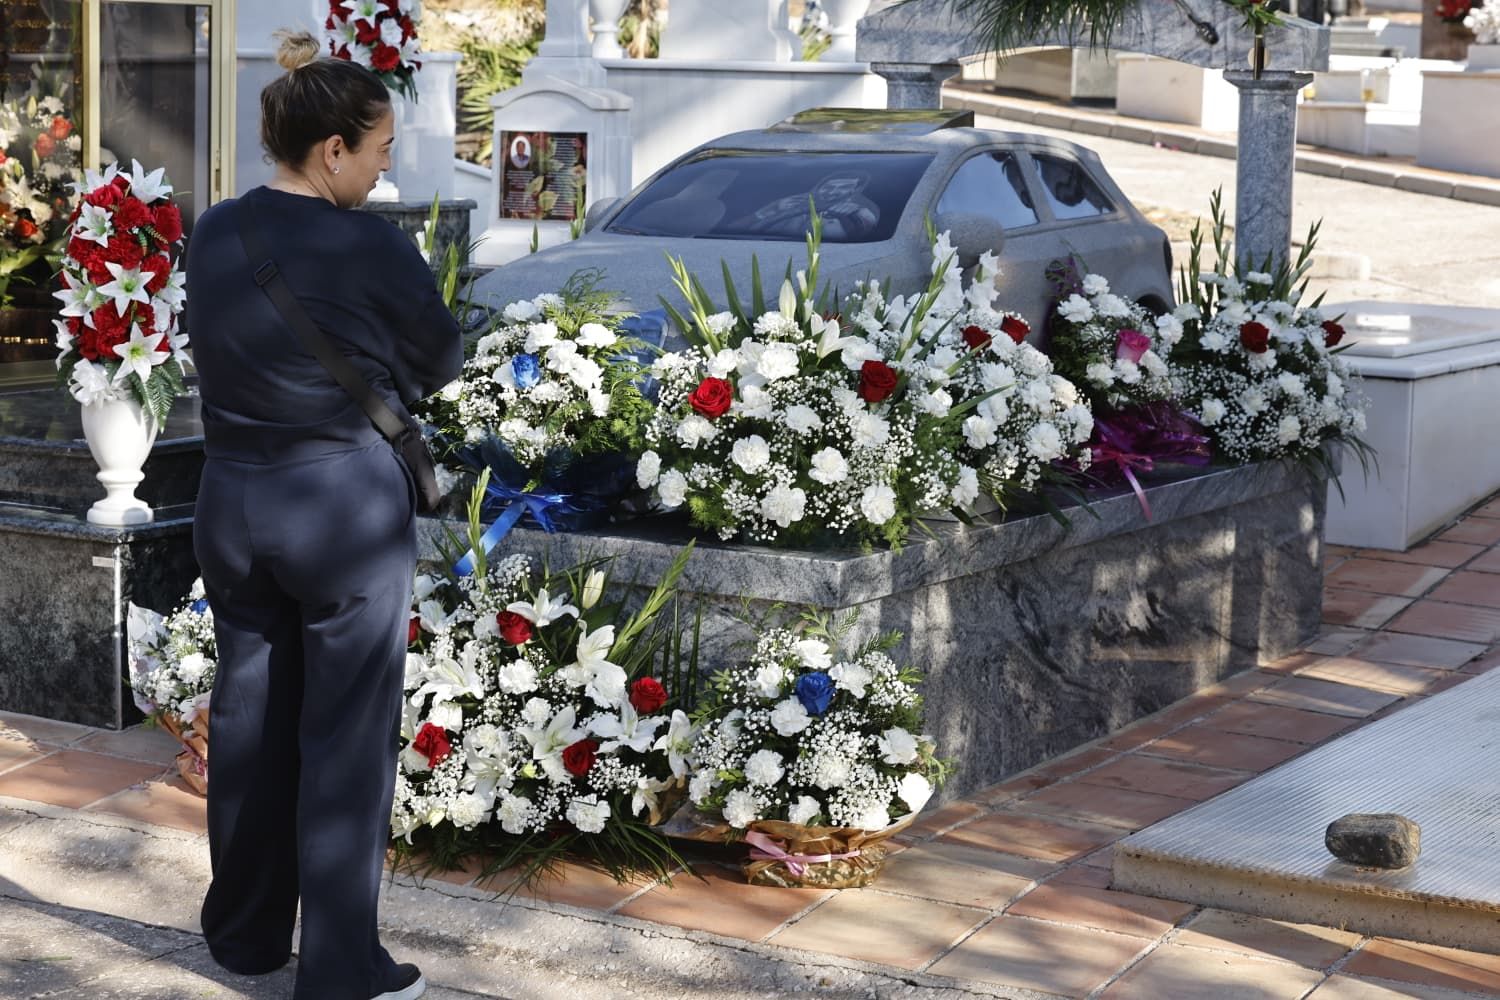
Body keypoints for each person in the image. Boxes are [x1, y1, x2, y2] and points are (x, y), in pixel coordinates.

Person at [184, 30, 462, 1000]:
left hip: (231, 500)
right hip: (340, 509)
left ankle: (246, 933)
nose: (387, 167)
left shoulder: (215, 230)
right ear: (333, 148)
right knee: (344, 733)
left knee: (250, 714)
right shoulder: (371, 244)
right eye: (380, 147)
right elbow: (437, 360)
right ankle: (343, 967)